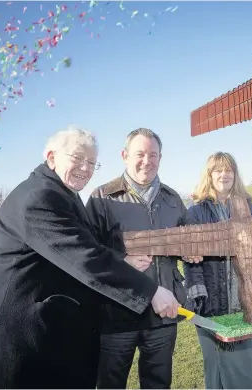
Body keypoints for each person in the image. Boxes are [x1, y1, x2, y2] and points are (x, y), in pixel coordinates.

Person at [0, 126, 179, 389]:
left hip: (49, 327)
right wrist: (150, 290)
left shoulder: (63, 194)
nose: (85, 168)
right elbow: (84, 257)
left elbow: (83, 248)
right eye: (77, 158)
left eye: (92, 162)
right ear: (51, 156)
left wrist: (122, 263)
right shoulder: (39, 196)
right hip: (23, 336)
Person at [86, 128, 188, 389]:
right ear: (124, 155)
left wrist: (190, 251)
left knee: (158, 384)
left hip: (163, 313)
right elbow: (85, 253)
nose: (147, 160)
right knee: (110, 384)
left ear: (160, 157)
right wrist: (121, 260)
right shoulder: (102, 198)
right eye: (140, 154)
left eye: (153, 154)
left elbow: (185, 243)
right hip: (117, 313)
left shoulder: (173, 199)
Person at [183, 151, 252, 390]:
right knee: (215, 366)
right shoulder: (195, 212)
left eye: (228, 170)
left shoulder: (247, 208)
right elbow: (191, 260)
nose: (223, 175)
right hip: (211, 301)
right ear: (209, 175)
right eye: (218, 170)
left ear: (235, 174)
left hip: (244, 300)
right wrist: (199, 296)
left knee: (246, 366)